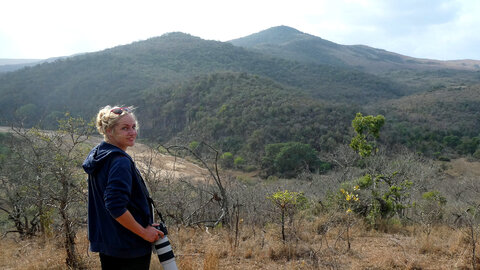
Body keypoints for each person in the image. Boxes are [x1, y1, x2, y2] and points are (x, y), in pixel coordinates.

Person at [82, 105, 163, 270]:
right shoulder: (120, 161)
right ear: (109, 131)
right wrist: (143, 232)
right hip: (128, 246)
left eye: (133, 127)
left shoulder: (99, 154)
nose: (132, 132)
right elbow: (115, 205)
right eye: (125, 128)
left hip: (111, 243)